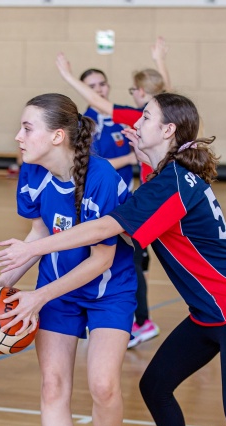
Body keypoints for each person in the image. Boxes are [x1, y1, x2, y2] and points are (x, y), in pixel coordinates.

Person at [0, 93, 226, 426]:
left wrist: (32, 250)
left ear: (168, 130)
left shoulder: (172, 183)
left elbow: (104, 229)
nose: (136, 122)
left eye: (146, 117)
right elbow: (126, 229)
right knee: (155, 388)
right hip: (208, 312)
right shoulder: (168, 177)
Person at [0, 93, 138, 426]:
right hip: (57, 291)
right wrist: (5, 282)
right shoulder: (31, 172)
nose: (18, 137)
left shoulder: (102, 178)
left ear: (57, 136)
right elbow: (38, 235)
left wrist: (38, 297)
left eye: (27, 128)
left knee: (104, 387)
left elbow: (101, 260)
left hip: (108, 291)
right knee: (52, 386)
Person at [78, 66, 160, 348]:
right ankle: (110, 317)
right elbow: (89, 166)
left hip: (129, 202)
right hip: (101, 205)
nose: (99, 89)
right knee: (102, 258)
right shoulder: (85, 124)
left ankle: (140, 320)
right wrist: (128, 159)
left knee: (133, 261)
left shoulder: (124, 116)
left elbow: (163, 97)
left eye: (102, 83)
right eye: (92, 86)